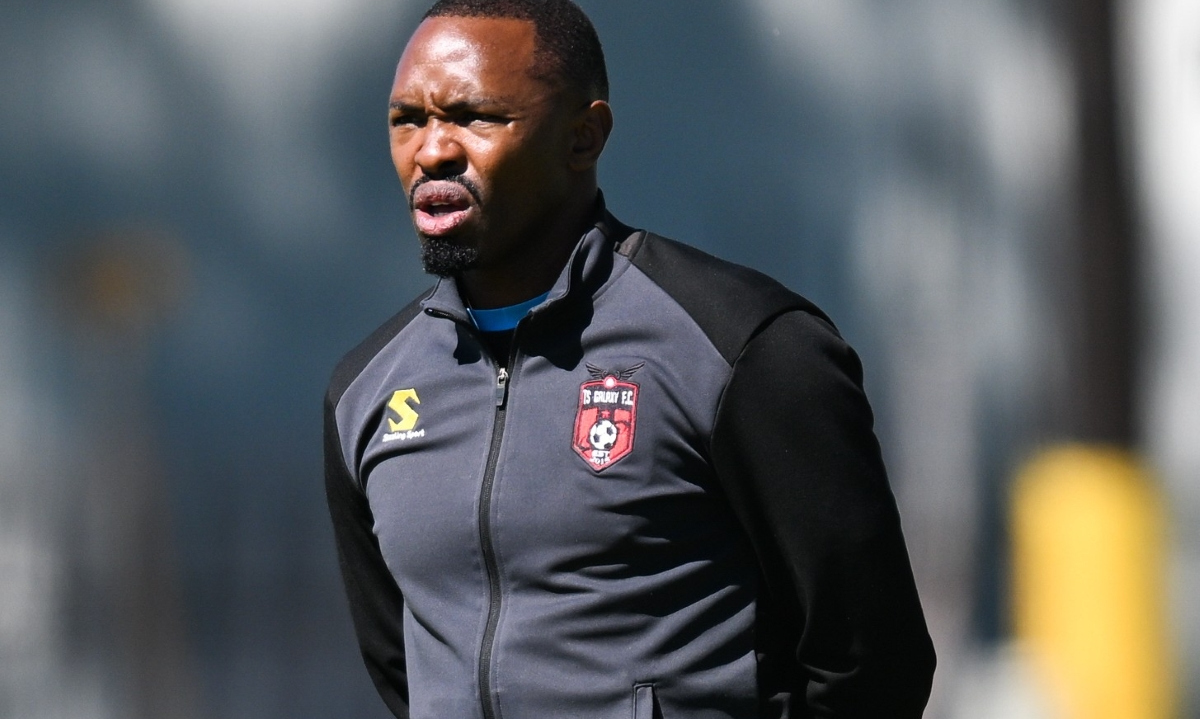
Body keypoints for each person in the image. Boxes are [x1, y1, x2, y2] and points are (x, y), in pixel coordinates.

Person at [324, 1, 936, 717]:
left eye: (476, 117)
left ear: (584, 137)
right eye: (408, 120)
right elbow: (404, 672)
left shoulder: (741, 347)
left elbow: (871, 663)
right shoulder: (366, 392)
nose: (432, 151)